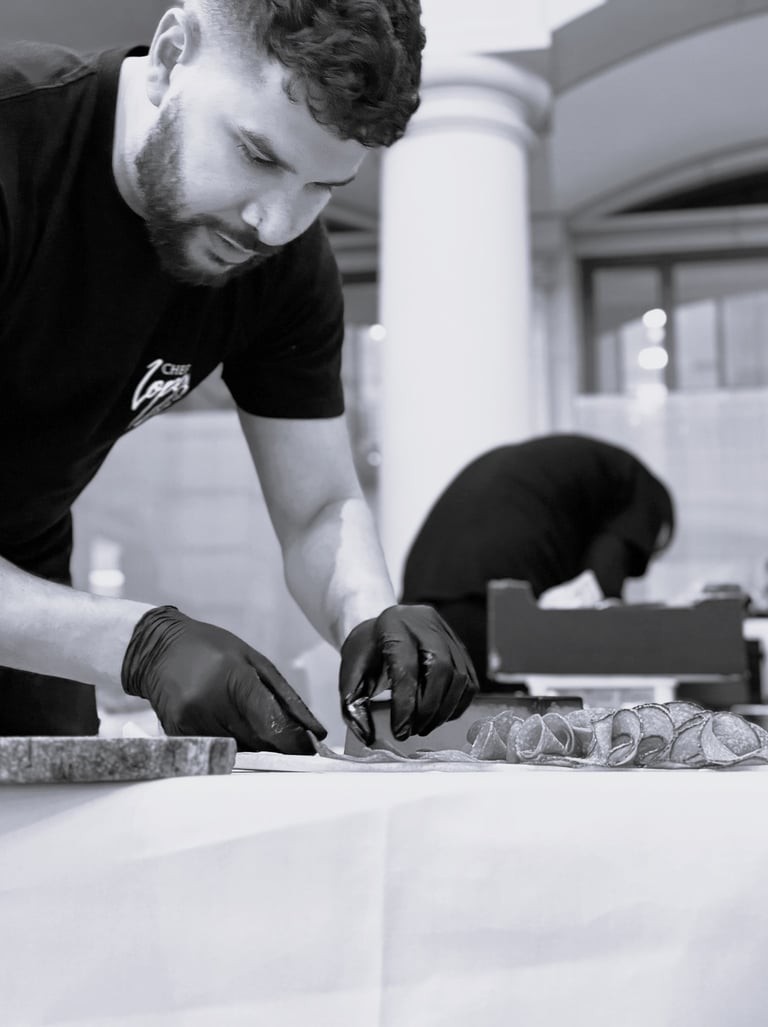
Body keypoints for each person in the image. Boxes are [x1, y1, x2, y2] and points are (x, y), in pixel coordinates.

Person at [0, 0, 478, 751]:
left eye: (323, 186)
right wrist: (142, 642)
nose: (274, 225)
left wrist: (371, 615)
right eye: (259, 155)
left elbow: (318, 507)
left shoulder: (284, 268)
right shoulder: (13, 140)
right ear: (168, 55)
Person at [401, 434, 675, 686]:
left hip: (420, 603)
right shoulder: (643, 491)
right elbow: (603, 582)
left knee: (442, 728)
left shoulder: (572, 466)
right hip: (493, 607)